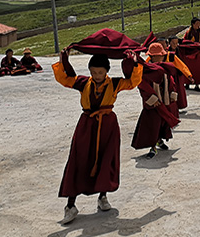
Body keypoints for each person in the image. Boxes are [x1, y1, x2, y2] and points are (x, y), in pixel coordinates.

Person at [52, 48, 143, 225]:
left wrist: (133, 62)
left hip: (108, 125)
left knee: (105, 159)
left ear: (107, 71)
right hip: (86, 126)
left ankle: (102, 197)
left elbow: (133, 81)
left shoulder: (115, 83)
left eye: (100, 72)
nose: (97, 75)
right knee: (78, 161)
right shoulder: (83, 83)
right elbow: (64, 79)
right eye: (93, 72)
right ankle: (70, 206)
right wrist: (63, 60)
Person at [133, 43, 180, 159]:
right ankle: (152, 147)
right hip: (153, 104)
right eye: (159, 55)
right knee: (152, 125)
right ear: (152, 57)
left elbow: (171, 82)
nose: (161, 57)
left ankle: (159, 140)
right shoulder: (146, 70)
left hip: (164, 100)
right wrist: (152, 99)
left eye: (162, 55)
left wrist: (172, 95)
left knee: (163, 123)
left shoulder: (164, 68)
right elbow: (143, 86)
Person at [181, 17, 200, 92]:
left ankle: (197, 84)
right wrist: (194, 45)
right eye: (197, 24)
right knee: (189, 68)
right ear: (193, 24)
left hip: (199, 53)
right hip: (190, 54)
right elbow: (184, 42)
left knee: (199, 68)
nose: (198, 25)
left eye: (199, 24)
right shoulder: (188, 32)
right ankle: (187, 83)